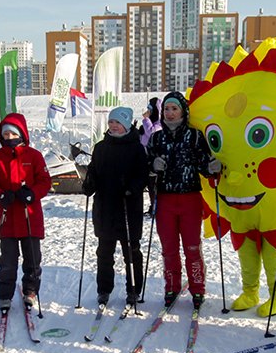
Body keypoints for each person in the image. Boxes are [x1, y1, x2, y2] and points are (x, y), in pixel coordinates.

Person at [148, 91, 219, 309]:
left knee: (192, 246)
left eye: (174, 108)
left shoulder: (195, 136)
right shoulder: (156, 138)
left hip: (189, 198)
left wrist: (212, 168)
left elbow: (204, 165)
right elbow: (147, 164)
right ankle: (172, 286)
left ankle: (198, 288)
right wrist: (153, 166)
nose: (170, 113)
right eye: (166, 109)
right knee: (168, 246)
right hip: (166, 199)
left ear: (183, 111)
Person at [0, 113, 51, 313]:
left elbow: (44, 181)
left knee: (32, 258)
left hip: (30, 216)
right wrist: (0, 195)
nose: (10, 137)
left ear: (22, 133)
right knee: (8, 261)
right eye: (6, 134)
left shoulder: (34, 156)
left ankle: (30, 290)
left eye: (13, 133)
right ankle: (5, 294)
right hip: (8, 218)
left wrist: (32, 193)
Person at [82, 107, 147, 308]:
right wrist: (89, 183)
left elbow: (143, 174)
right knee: (104, 252)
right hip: (105, 208)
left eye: (118, 122)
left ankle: (134, 290)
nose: (114, 126)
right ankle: (104, 289)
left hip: (128, 207)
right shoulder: (101, 147)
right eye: (111, 122)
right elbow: (94, 170)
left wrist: (132, 188)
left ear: (126, 125)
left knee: (131, 251)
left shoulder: (136, 148)